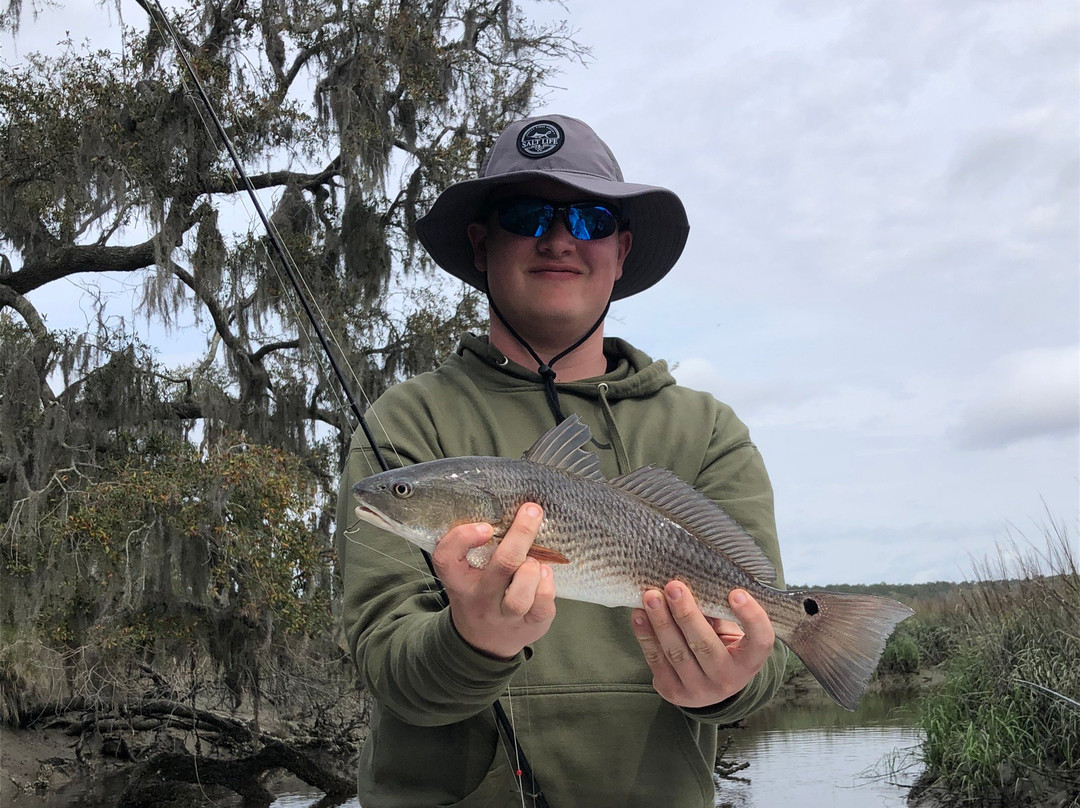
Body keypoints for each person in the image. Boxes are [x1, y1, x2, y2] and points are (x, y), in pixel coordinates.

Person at [336, 114, 787, 808]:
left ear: (622, 246)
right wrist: (471, 642)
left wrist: (731, 678)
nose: (558, 239)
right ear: (482, 243)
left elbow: (761, 661)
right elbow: (389, 670)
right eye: (526, 214)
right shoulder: (406, 421)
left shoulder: (707, 431)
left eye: (590, 218)